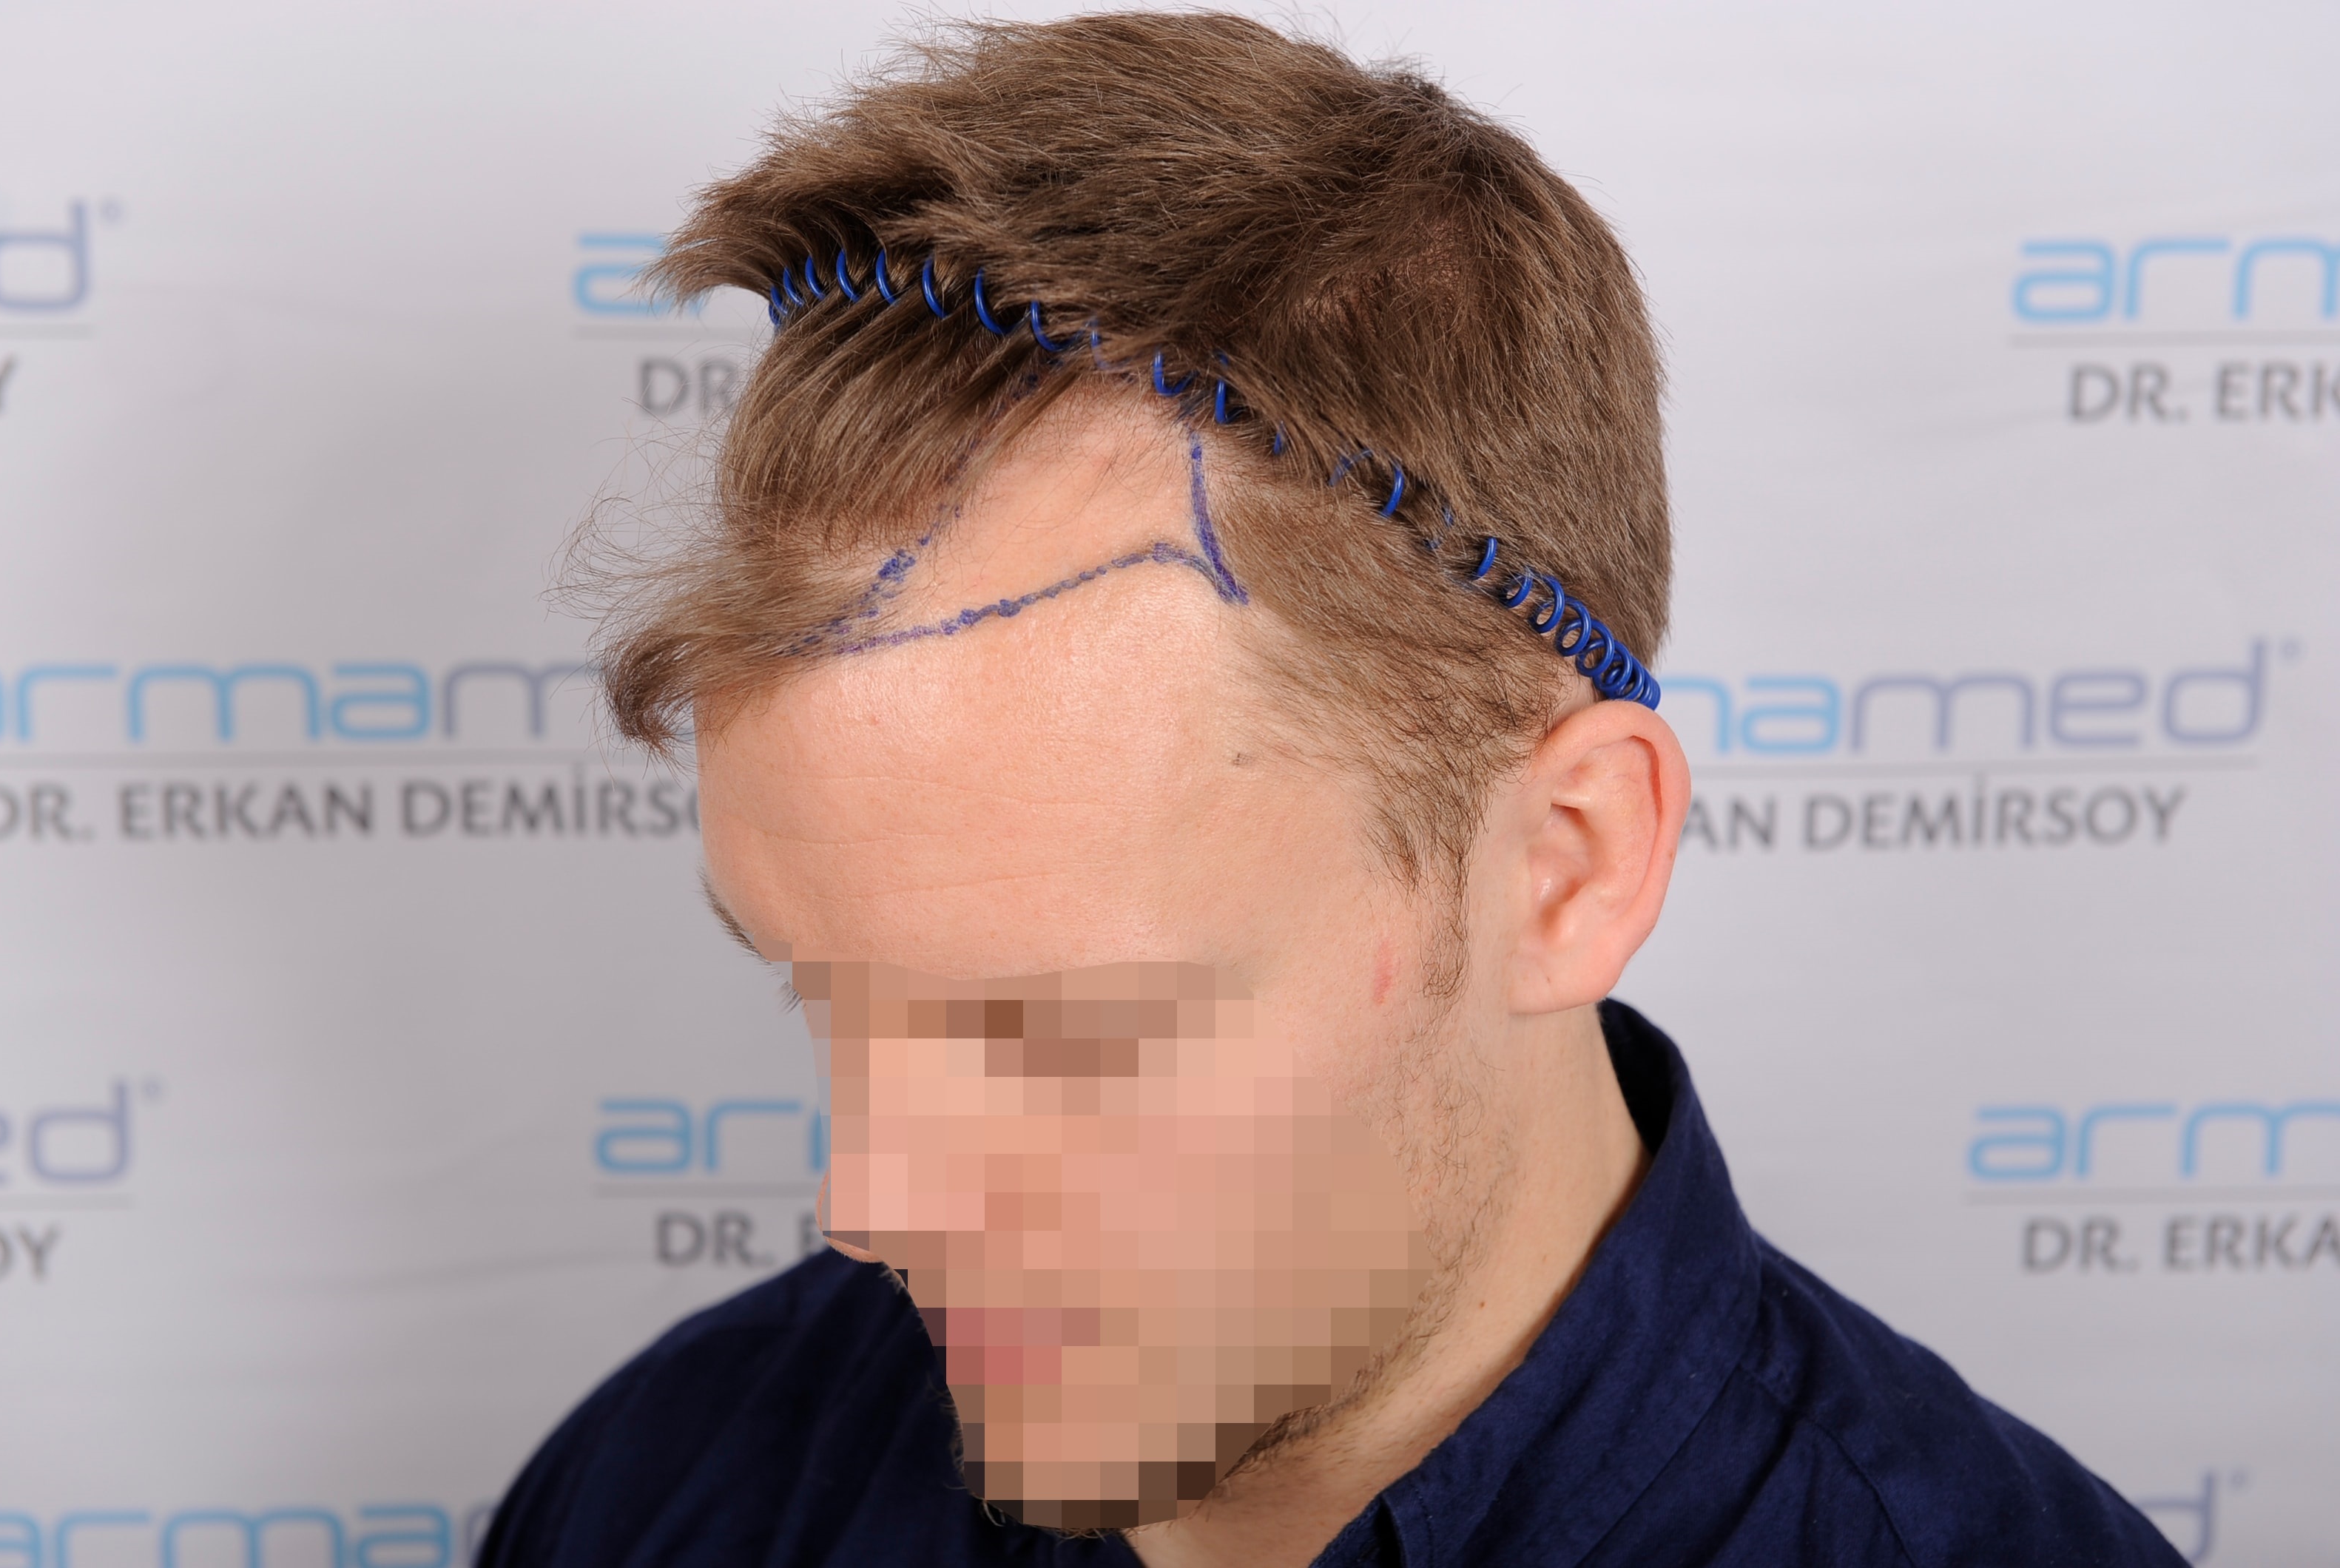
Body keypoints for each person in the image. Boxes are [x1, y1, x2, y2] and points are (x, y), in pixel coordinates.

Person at [480, 13, 2182, 1566]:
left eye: (1066, 1033)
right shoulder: (669, 1491)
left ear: (1567, 863)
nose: (874, 1198)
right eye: (820, 992)